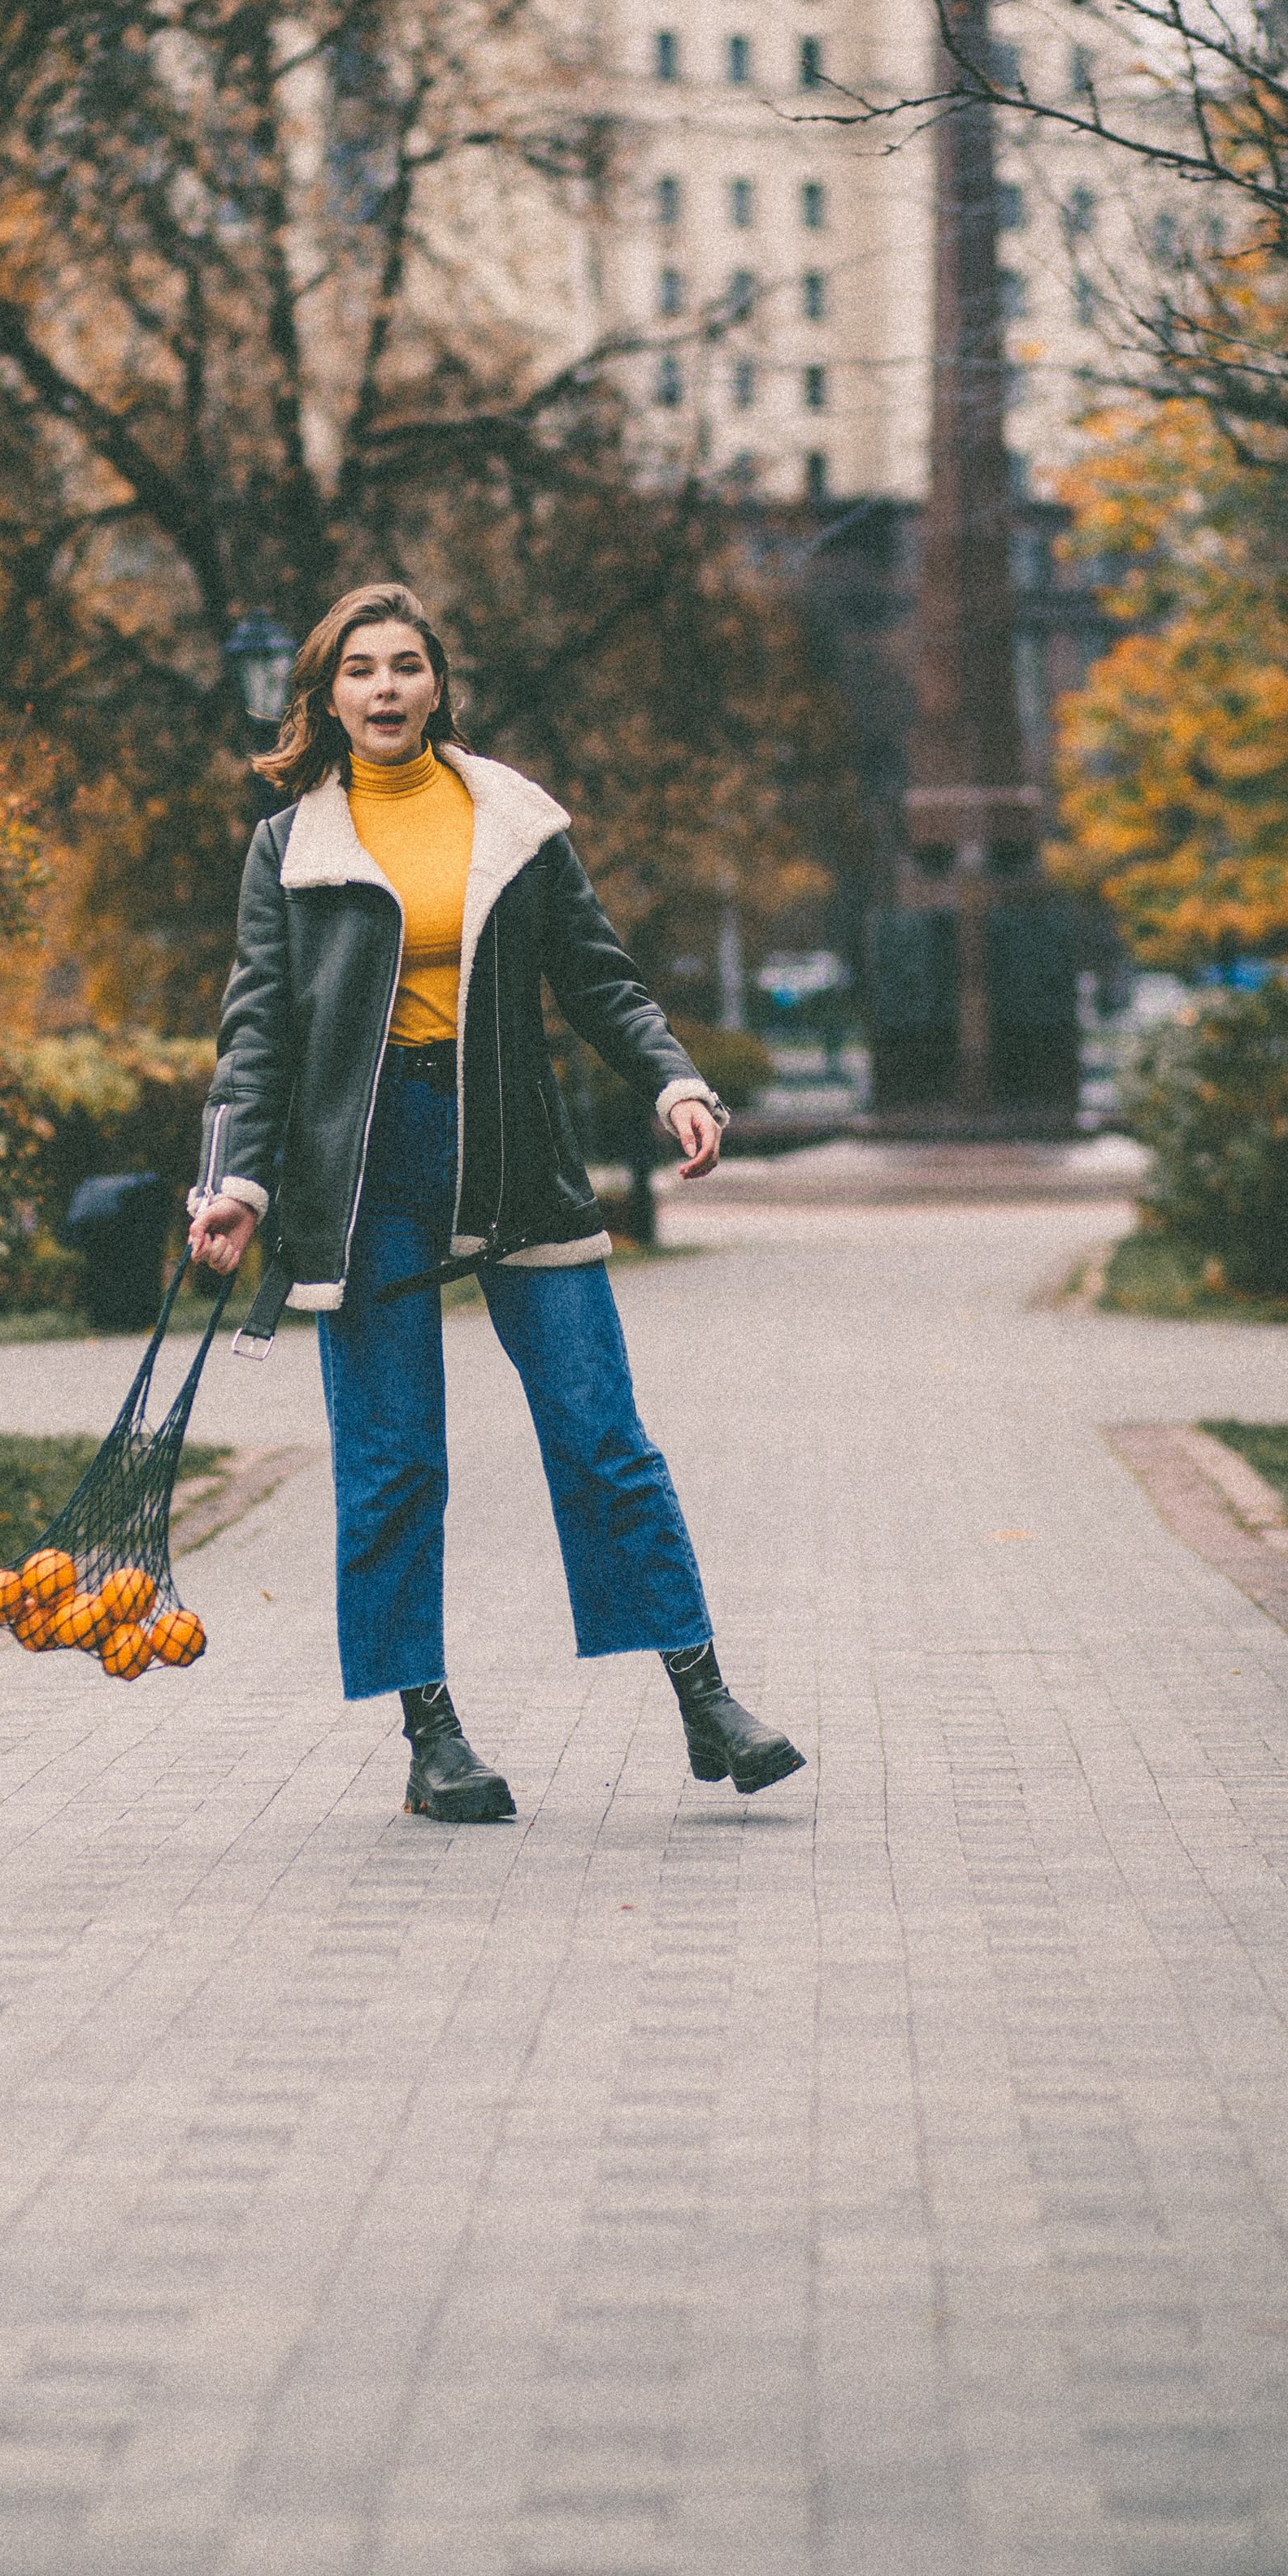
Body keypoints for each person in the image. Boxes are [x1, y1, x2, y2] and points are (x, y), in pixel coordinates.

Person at [189, 583, 804, 1823]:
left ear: (436, 684)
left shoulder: (511, 820)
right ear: (326, 697)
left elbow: (597, 973)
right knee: (395, 1461)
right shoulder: (290, 847)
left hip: (513, 1150)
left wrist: (676, 1080)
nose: (384, 689)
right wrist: (236, 1184)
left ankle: (705, 1697)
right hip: (362, 1172)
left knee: (600, 1434)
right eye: (358, 670)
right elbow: (258, 1034)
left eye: (404, 665)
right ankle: (432, 1739)